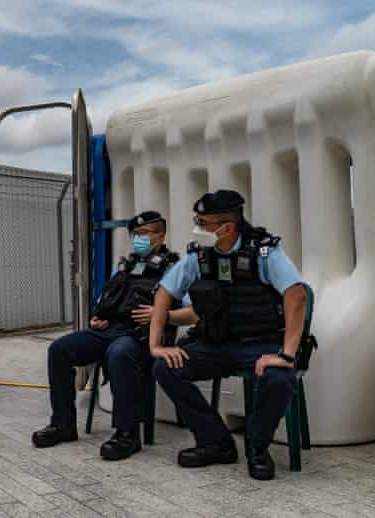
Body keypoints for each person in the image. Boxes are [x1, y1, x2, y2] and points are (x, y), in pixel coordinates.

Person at [148, 190, 307, 481]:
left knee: (278, 378)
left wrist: (286, 354)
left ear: (228, 227)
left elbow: (296, 295)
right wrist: (156, 345)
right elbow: (164, 291)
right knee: (165, 368)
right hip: (213, 343)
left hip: (261, 344)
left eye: (204, 223)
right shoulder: (199, 255)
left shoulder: (264, 251)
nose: (198, 228)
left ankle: (257, 448)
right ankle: (215, 442)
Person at [32, 211, 181, 460]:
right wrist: (98, 318)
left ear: (161, 236)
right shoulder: (125, 266)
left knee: (119, 353)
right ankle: (63, 425)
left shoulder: (175, 268)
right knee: (59, 349)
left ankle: (127, 434)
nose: (138, 239)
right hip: (110, 330)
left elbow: (189, 309)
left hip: (144, 337)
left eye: (145, 234)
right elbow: (107, 301)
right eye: (136, 234)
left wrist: (160, 314)